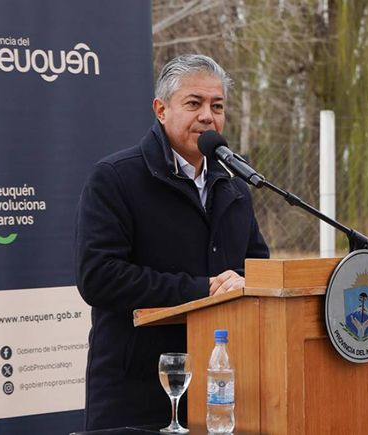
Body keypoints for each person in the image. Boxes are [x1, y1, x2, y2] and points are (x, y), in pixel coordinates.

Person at [75, 54, 269, 430]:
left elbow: (254, 264)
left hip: (220, 383)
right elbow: (98, 276)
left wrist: (245, 282)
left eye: (217, 106)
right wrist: (202, 289)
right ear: (161, 110)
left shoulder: (235, 186)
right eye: (193, 103)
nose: (207, 116)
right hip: (137, 388)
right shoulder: (115, 179)